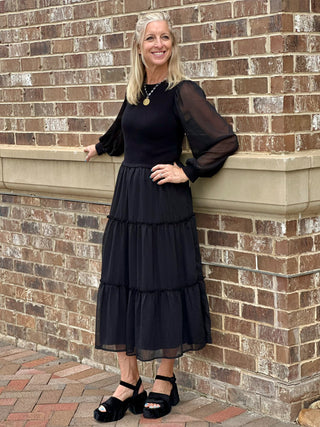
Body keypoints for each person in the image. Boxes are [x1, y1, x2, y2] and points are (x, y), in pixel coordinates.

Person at [84, 11, 238, 423]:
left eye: (165, 37)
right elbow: (122, 130)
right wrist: (99, 147)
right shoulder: (136, 91)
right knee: (124, 282)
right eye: (150, 38)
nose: (158, 44)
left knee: (162, 282)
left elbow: (224, 139)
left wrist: (185, 170)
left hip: (164, 203)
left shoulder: (182, 91)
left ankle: (165, 380)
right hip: (129, 201)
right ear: (139, 46)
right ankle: (128, 380)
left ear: (172, 44)